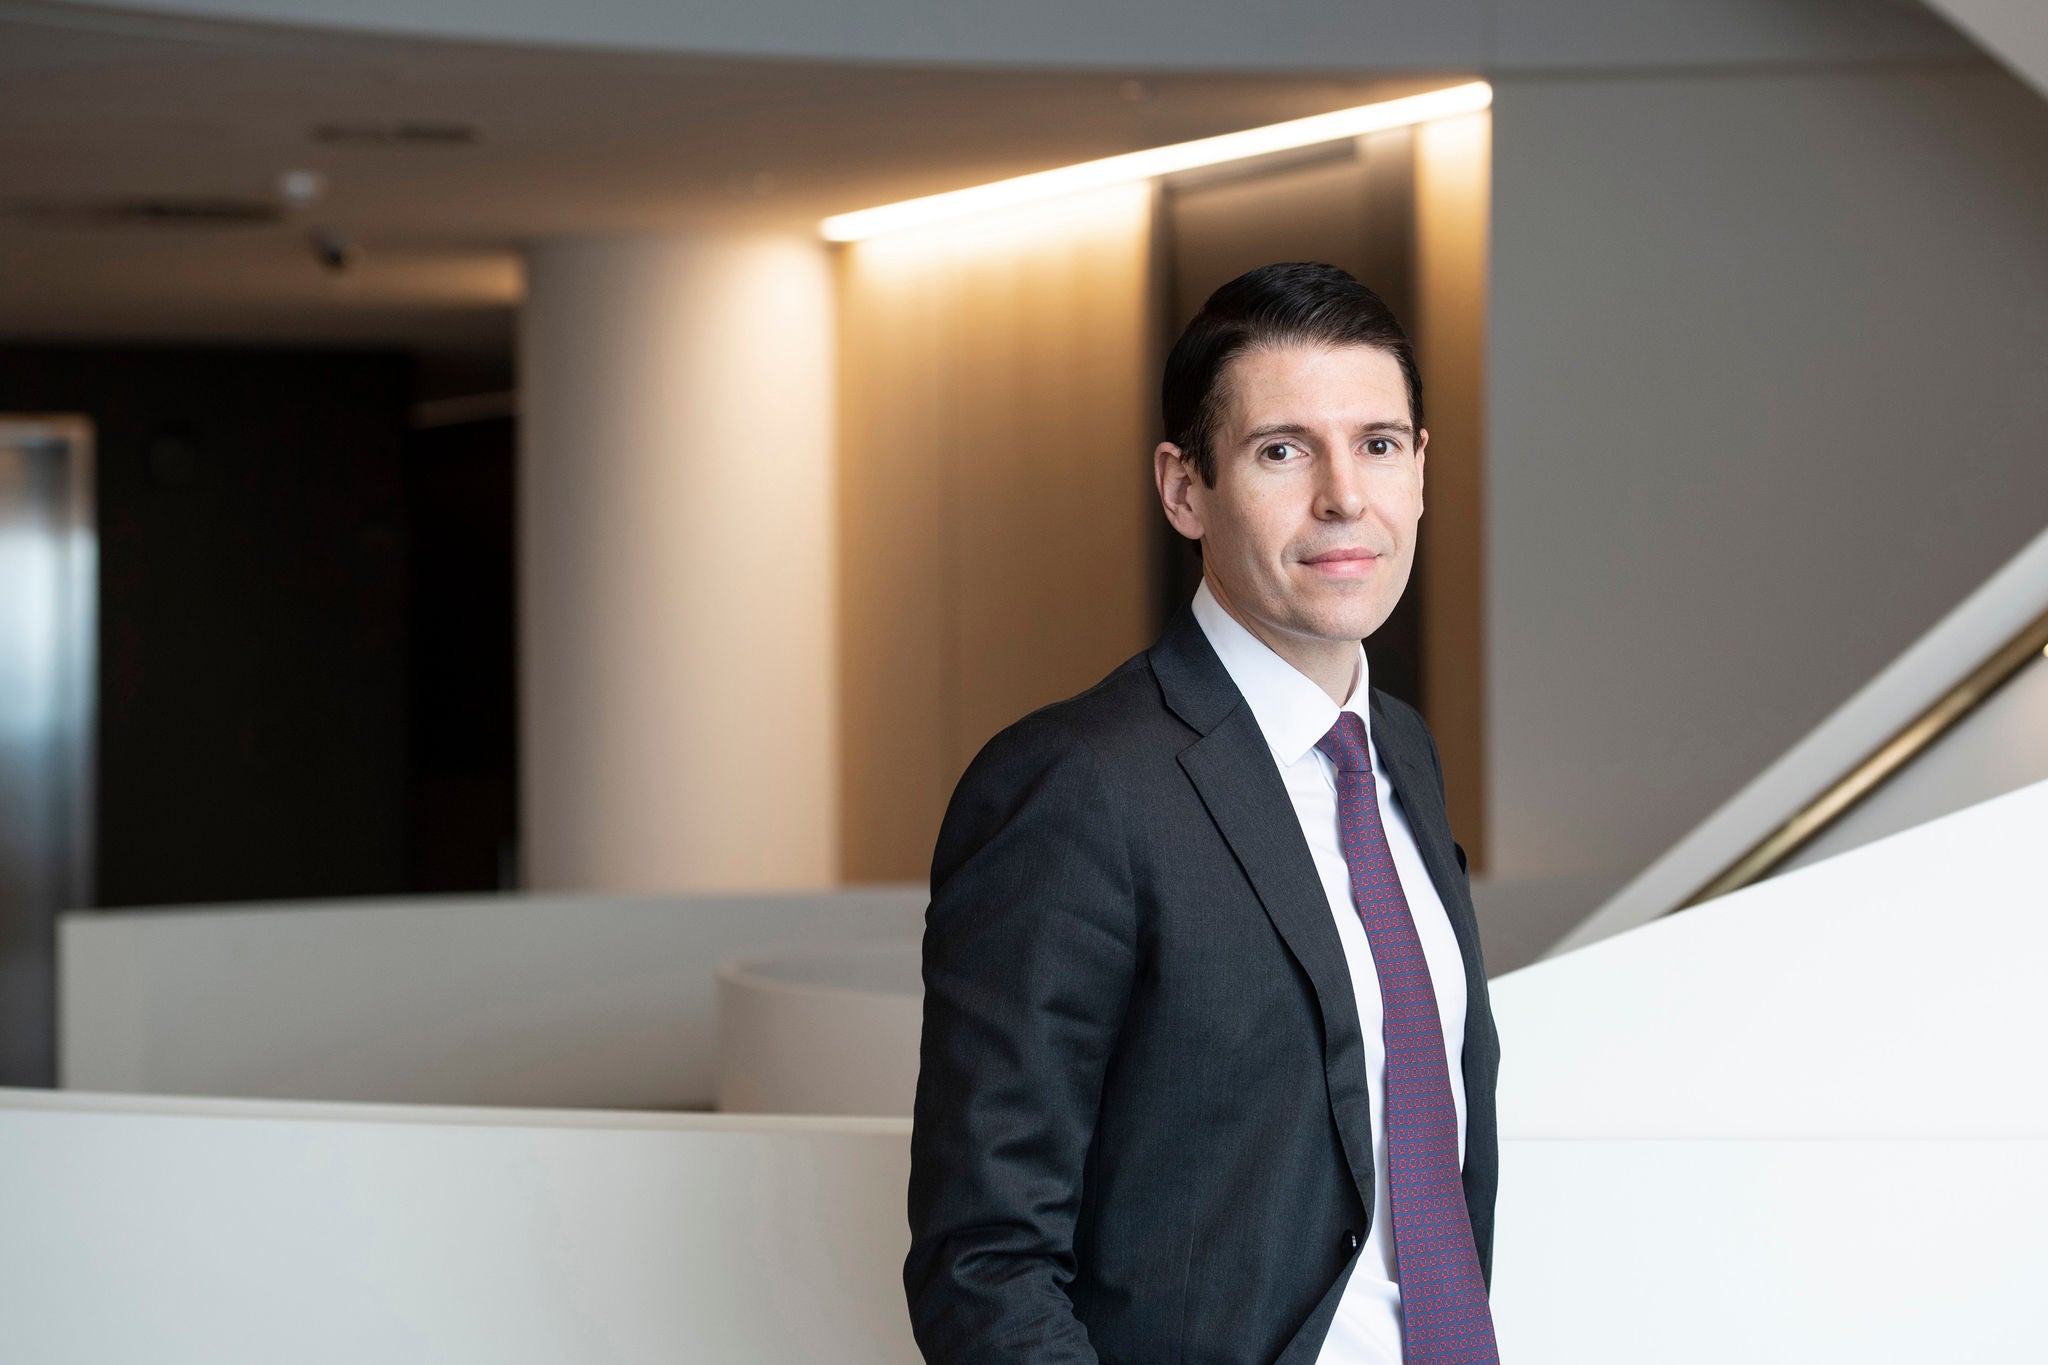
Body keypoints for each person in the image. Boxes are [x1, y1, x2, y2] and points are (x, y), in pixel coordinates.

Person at [905, 262, 1500, 1365]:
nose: (1344, 497)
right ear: (1184, 489)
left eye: (1376, 444)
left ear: (1420, 470)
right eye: (1282, 451)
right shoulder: (1077, 786)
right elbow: (983, 1263)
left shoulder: (1402, 755)